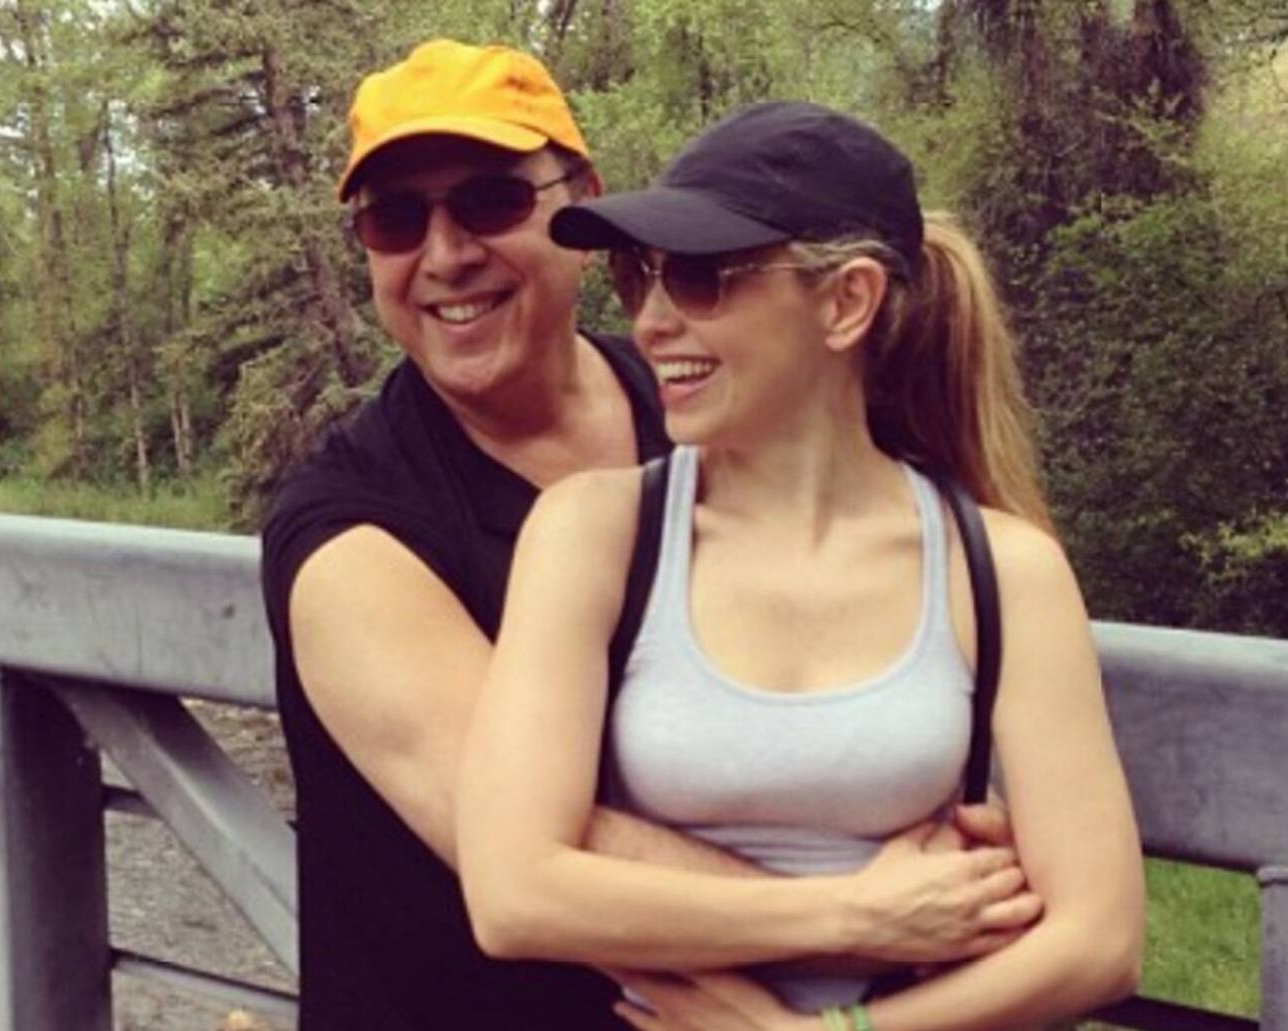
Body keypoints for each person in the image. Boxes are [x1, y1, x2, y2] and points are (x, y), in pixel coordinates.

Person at [262, 42, 1034, 1031]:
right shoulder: (348, 531)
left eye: (492, 200)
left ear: (583, 206)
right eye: (395, 219)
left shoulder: (706, 399)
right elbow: (526, 852)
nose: (445, 254)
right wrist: (885, 917)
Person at [455, 101, 1145, 1030]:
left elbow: (1099, 939)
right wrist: (858, 916)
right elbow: (512, 892)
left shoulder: (999, 570)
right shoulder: (595, 533)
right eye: (636, 276)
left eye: (699, 278)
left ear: (846, 301)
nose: (650, 322)